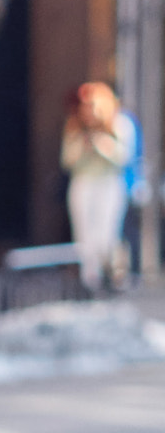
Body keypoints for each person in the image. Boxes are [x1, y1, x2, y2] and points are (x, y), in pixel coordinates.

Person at [63, 81, 137, 294]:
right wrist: (83, 146)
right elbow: (67, 160)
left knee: (106, 233)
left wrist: (102, 145)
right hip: (84, 181)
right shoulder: (75, 126)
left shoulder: (120, 124)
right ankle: (90, 281)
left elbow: (124, 157)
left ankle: (112, 275)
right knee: (84, 234)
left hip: (108, 182)